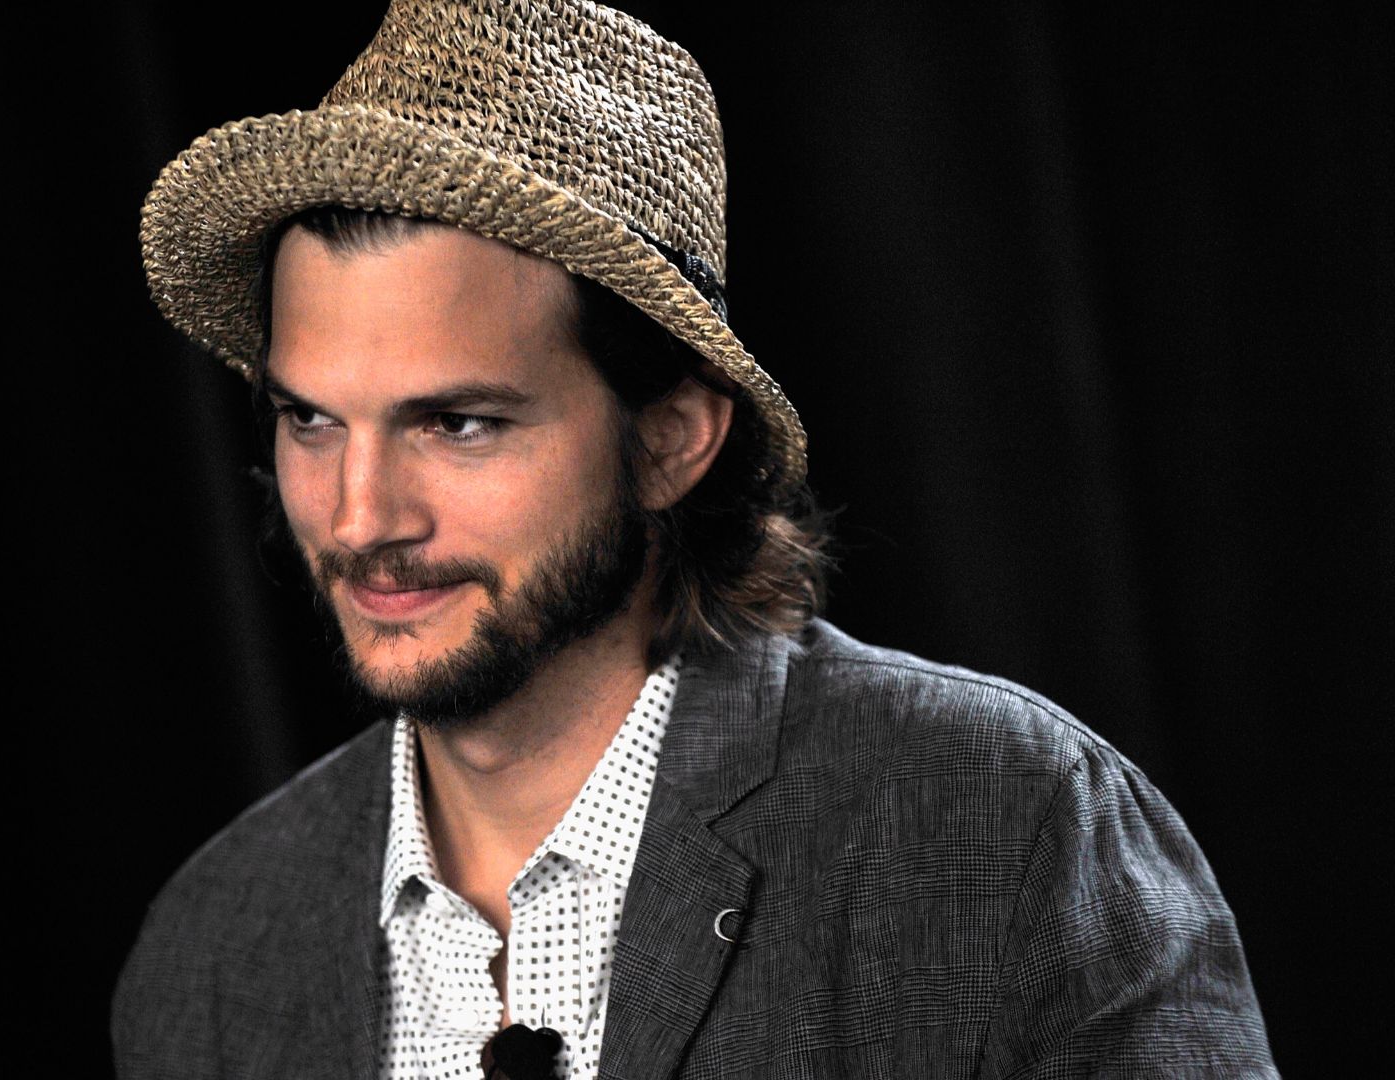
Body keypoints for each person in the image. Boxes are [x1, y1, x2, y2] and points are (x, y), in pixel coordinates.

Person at [114, 0, 1276, 1076]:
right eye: (311, 420)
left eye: (458, 424)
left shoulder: (1007, 828)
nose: (361, 517)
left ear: (672, 439)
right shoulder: (213, 950)